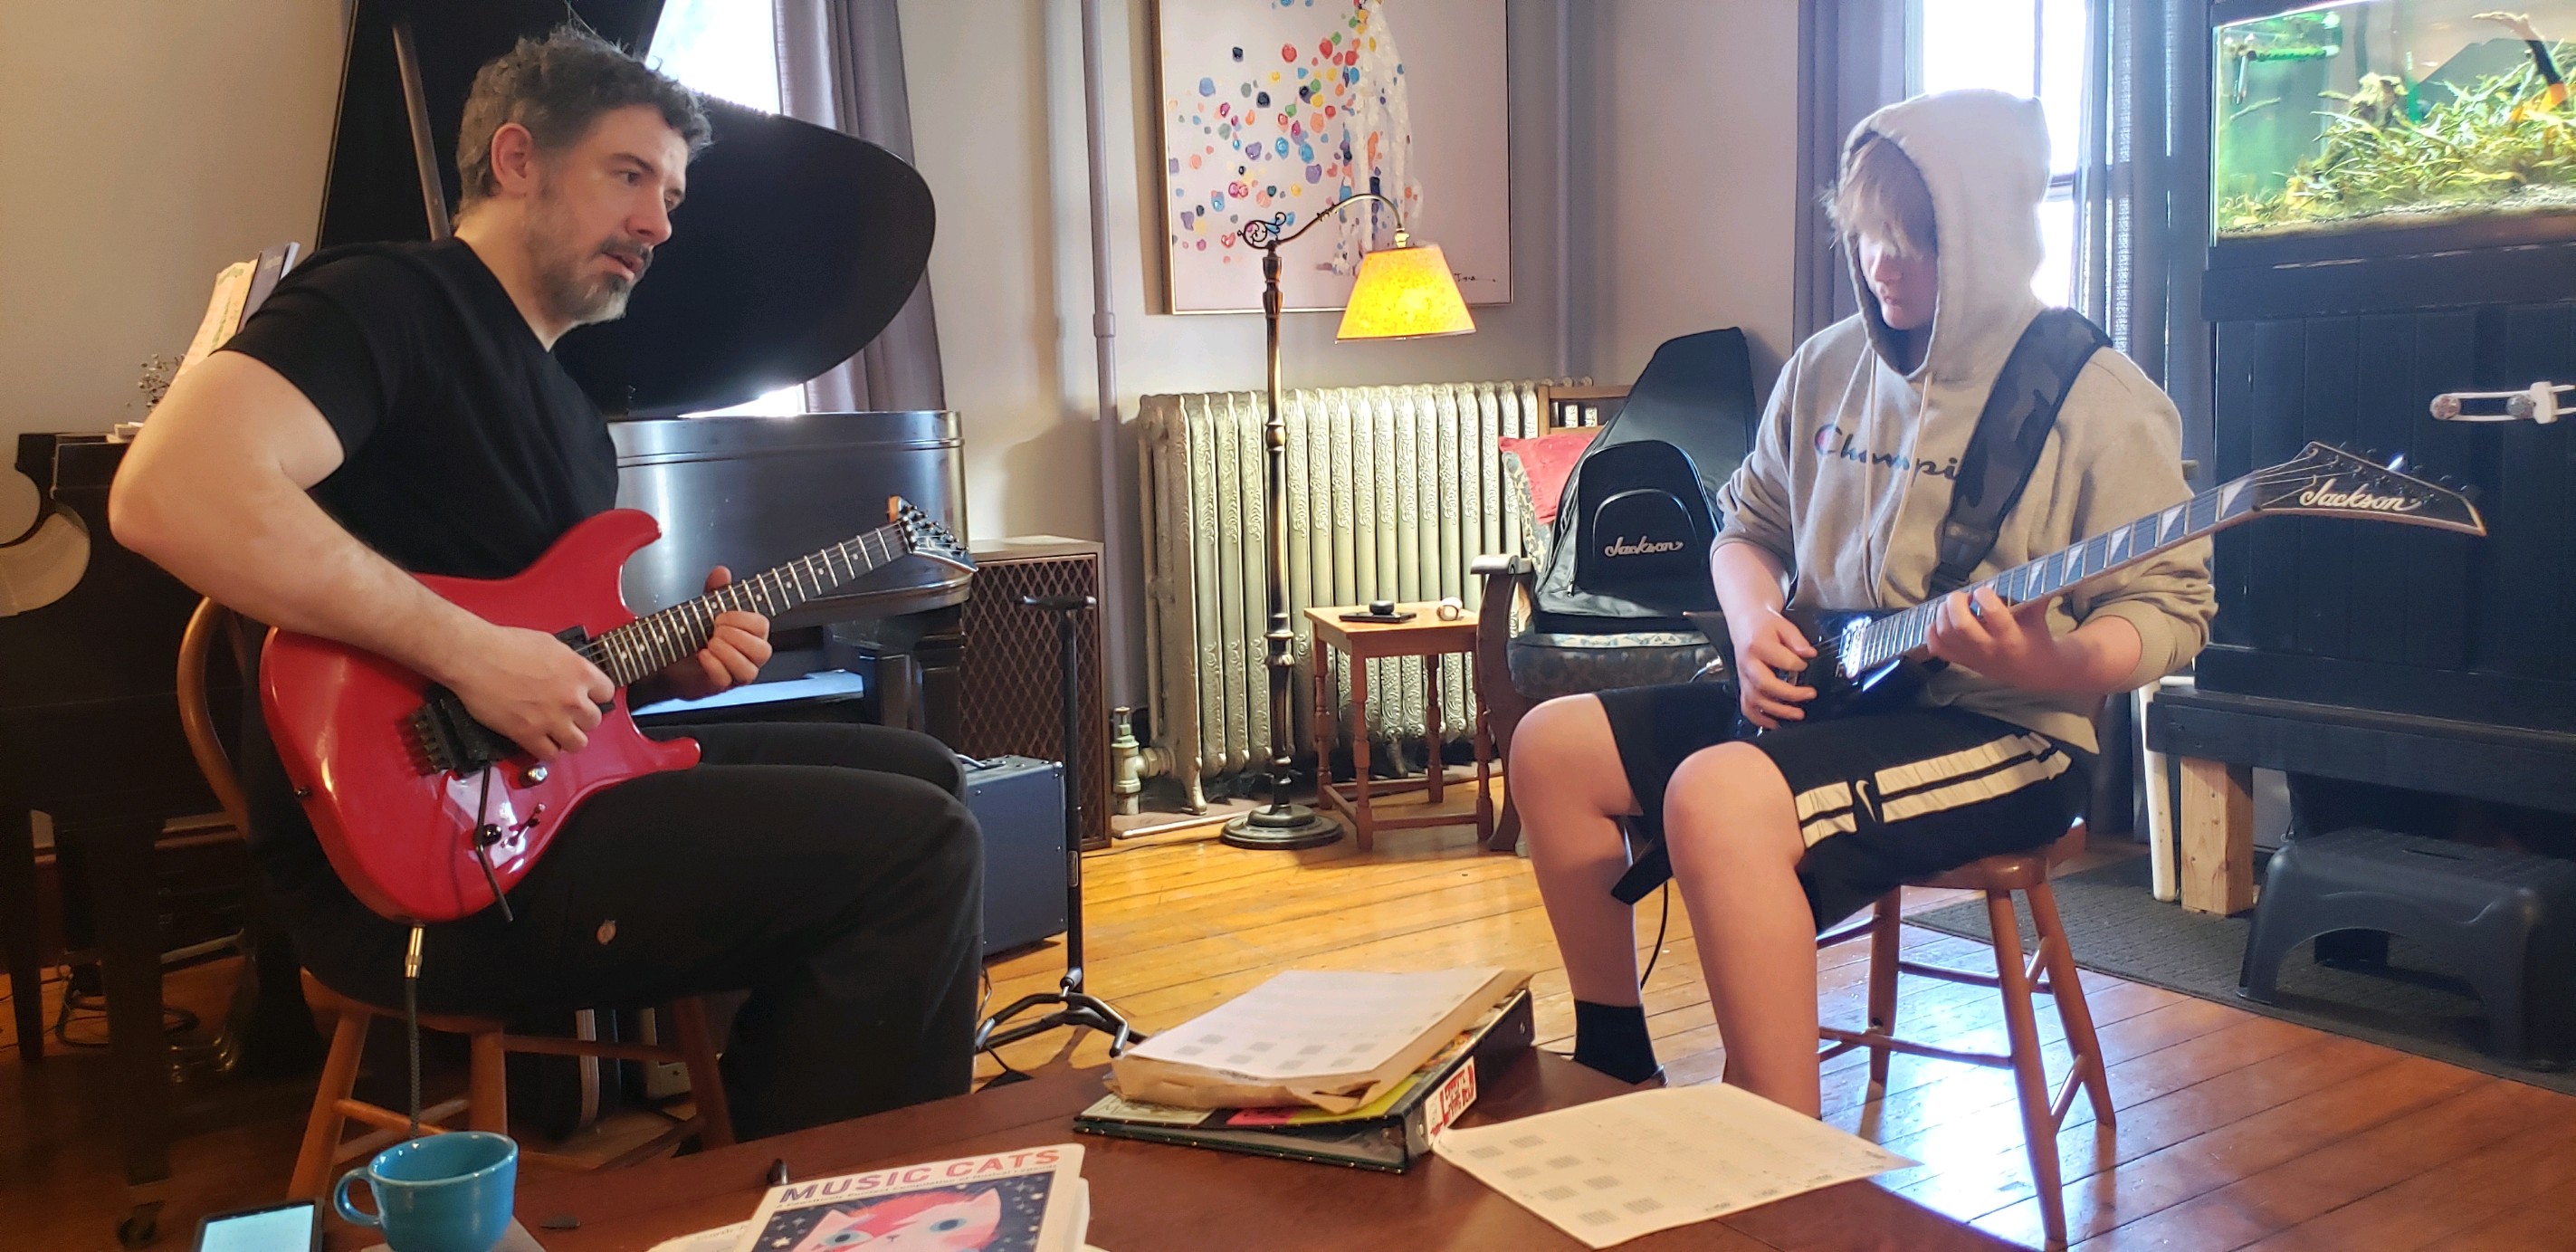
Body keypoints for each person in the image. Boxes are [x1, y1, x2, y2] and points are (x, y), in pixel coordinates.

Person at [110, 27, 983, 1140]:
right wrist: (474, 657)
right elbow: (169, 490)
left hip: (542, 802)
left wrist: (657, 666)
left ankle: (789, 1138)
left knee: (927, 773)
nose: (660, 223)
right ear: (516, 160)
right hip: (415, 861)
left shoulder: (572, 417)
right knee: (915, 852)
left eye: (670, 194)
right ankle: (816, 1199)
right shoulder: (388, 301)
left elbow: (543, 664)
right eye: (628, 175)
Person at [1509, 90, 2213, 1117]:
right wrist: (1753, 626)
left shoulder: (2098, 399)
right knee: (1549, 748)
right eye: (1869, 238)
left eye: (1918, 244)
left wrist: (2047, 663)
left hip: (2008, 730)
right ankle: (1616, 1065)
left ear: (1989, 235)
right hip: (1841, 691)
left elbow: (2170, 610)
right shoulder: (1826, 366)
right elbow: (1743, 532)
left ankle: (1775, 1146)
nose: (1884, 267)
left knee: (1716, 795)